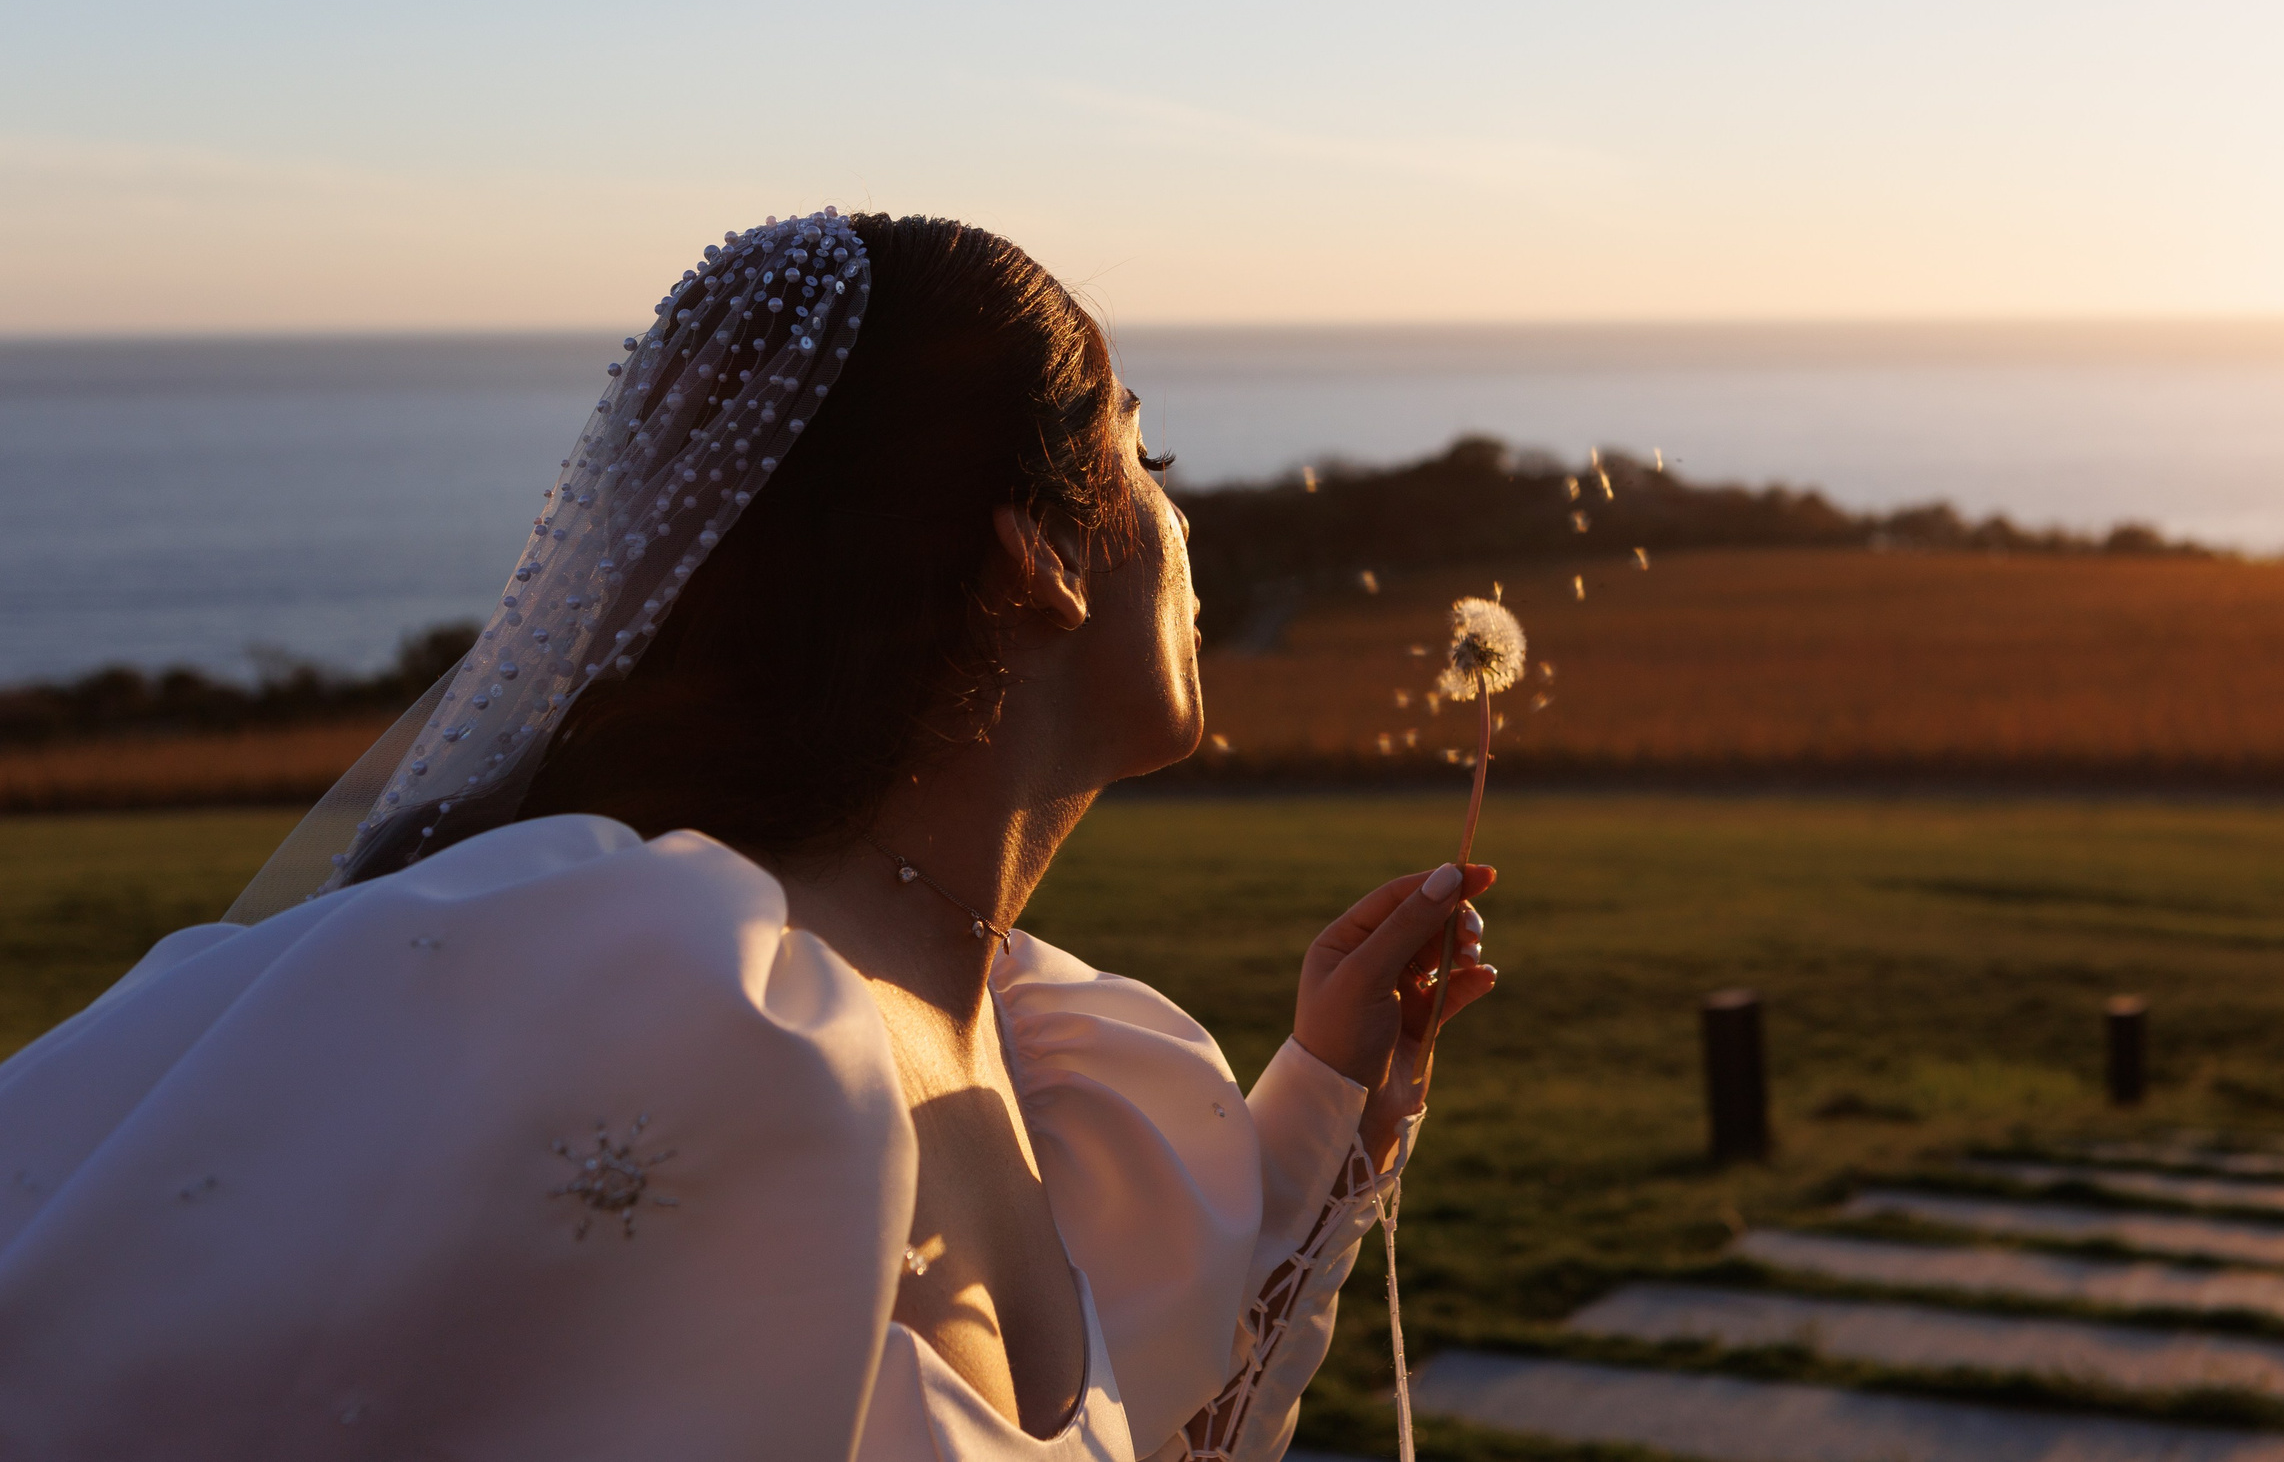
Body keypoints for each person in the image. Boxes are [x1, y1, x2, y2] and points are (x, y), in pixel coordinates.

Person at [0, 211, 1498, 1461]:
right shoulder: (671, 995)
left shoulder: (1053, 1062)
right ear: (1029, 559)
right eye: (1144, 465)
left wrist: (1334, 1088)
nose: (1185, 523)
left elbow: (1167, 1416)